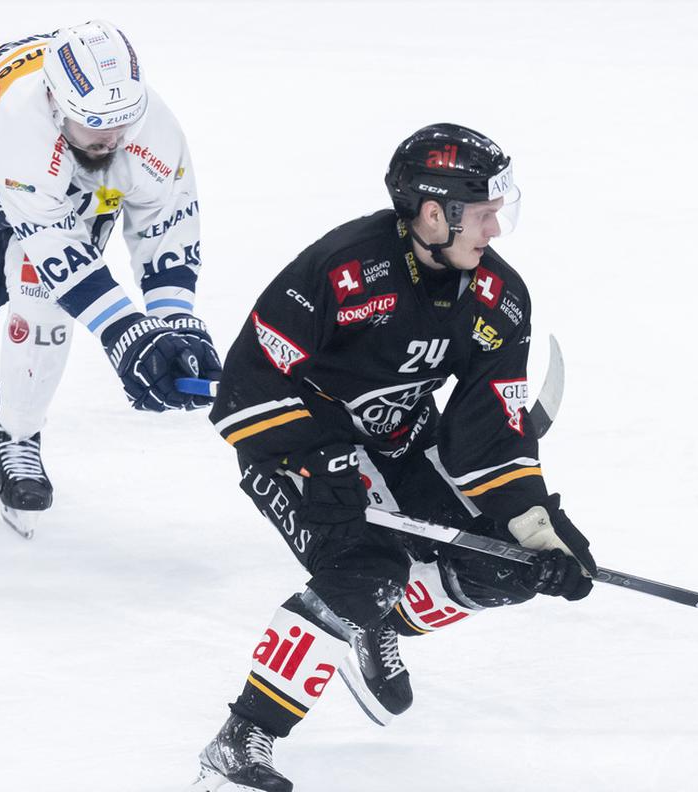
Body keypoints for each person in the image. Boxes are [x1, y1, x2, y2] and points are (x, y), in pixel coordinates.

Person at [190, 124, 597, 791]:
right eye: (484, 213)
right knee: (364, 571)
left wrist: (535, 528)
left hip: (400, 440)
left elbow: (490, 436)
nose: (495, 229)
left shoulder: (498, 298)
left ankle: (379, 620)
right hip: (294, 447)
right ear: (434, 214)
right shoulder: (341, 269)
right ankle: (241, 738)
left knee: (507, 565)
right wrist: (316, 460)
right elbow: (245, 388)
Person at [0, 20, 221, 536]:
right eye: (96, 124)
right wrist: (126, 333)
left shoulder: (151, 127)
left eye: (124, 121)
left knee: (45, 297)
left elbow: (166, 223)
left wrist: (174, 319)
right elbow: (58, 247)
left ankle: (17, 434)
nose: (112, 138)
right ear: (54, 104)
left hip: (60, 187)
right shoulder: (21, 127)